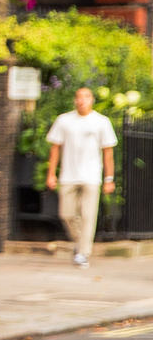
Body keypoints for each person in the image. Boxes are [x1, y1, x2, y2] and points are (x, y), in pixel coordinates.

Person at [45, 85, 120, 266]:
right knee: (66, 214)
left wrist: (109, 179)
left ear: (92, 99)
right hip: (68, 175)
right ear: (75, 100)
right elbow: (55, 149)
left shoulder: (102, 122)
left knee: (88, 215)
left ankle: (83, 253)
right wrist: (51, 174)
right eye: (79, 96)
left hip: (92, 176)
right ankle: (81, 243)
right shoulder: (64, 120)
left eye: (86, 96)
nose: (82, 100)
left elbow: (108, 152)